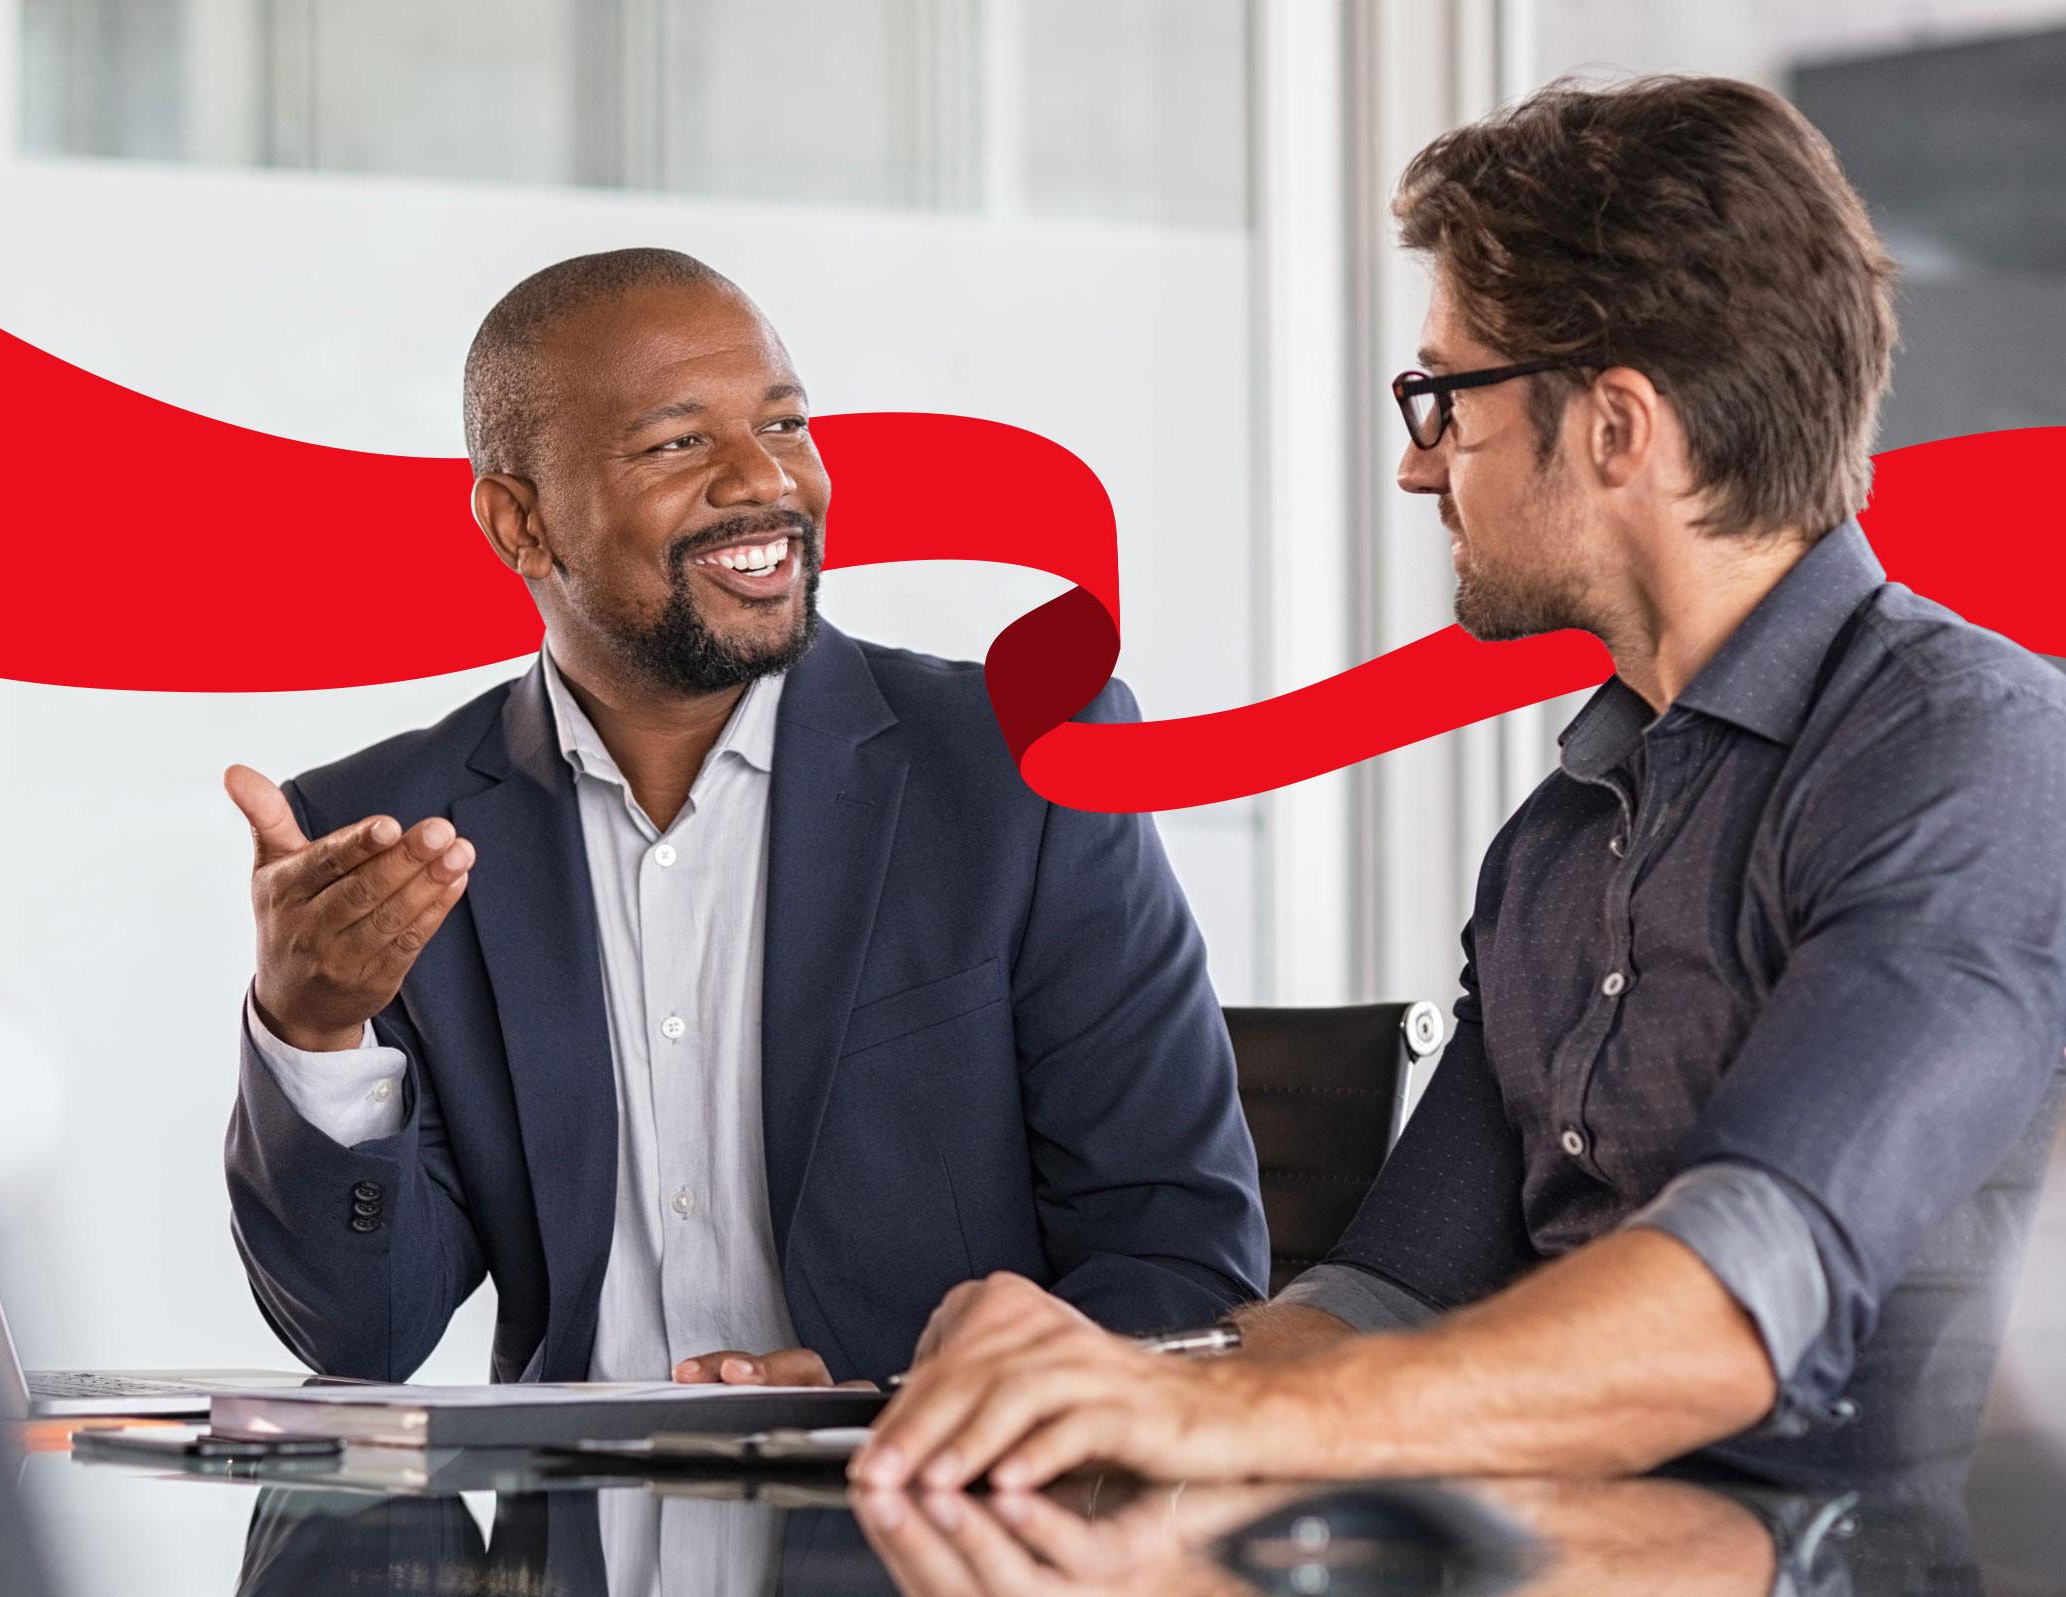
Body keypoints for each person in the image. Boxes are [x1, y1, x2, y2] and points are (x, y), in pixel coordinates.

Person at [853, 73, 2066, 1492]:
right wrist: (1092, 1384)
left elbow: (1742, 1299)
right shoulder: (1556, 845)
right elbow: (1381, 1299)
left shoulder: (1972, 755)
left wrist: (1221, 1423)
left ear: (1617, 426)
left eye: (1446, 399)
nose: (1418, 468)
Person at [222, 249, 1267, 1388]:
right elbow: (363, 1336)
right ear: (519, 523)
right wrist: (311, 1032)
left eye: (784, 424)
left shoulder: (1025, 769)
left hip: (923, 1525)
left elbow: (1180, 1261)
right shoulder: (391, 836)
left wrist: (899, 1403)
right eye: (678, 443)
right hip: (576, 1545)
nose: (762, 481)